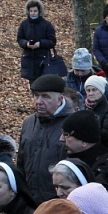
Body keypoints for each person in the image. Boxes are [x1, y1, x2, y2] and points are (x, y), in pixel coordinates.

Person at [17, 74, 75, 203]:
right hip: (29, 201)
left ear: (60, 99)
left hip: (59, 202)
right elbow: (21, 163)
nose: (38, 101)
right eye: (36, 96)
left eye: (45, 97)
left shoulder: (73, 124)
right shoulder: (28, 122)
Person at [16, 0, 56, 84]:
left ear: (39, 11)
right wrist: (26, 44)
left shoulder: (46, 25)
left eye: (35, 11)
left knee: (43, 84)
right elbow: (19, 38)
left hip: (43, 60)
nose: (33, 13)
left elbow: (52, 41)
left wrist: (40, 43)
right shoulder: (24, 24)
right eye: (31, 11)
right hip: (29, 59)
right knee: (33, 86)